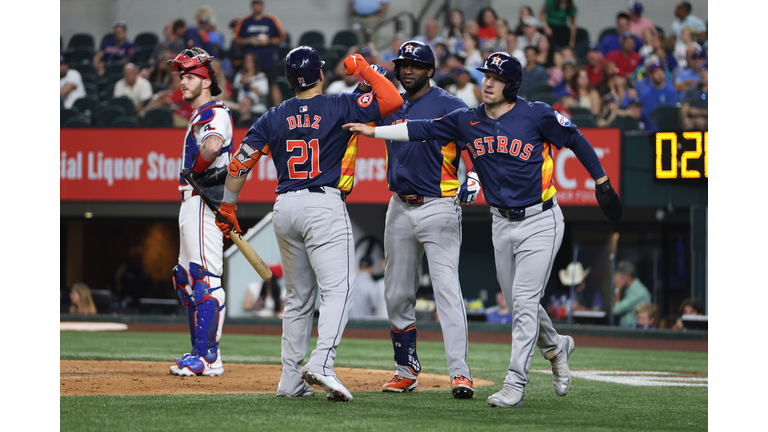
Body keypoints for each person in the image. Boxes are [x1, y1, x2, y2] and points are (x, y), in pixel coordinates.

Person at [343, 51, 623, 408]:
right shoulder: (468, 118)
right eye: (486, 75)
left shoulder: (535, 113)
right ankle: (555, 346)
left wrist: (601, 182)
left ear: (513, 84)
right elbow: (421, 129)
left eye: (496, 77)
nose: (488, 82)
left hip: (541, 218)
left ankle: (514, 384)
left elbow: (576, 139)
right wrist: (374, 130)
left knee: (521, 303)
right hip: (501, 221)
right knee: (525, 303)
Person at [215, 46, 403, 401]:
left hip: (284, 208)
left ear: (288, 81)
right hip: (323, 204)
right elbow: (391, 98)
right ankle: (322, 363)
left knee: (298, 298)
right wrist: (362, 66)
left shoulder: (271, 116)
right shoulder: (340, 105)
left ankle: (290, 380)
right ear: (319, 74)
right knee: (339, 291)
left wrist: (227, 206)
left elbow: (238, 165)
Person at [356, 40, 475, 399]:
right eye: (402, 64)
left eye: (415, 65)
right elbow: (352, 111)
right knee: (395, 293)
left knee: (446, 291)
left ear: (429, 70)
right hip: (399, 205)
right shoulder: (389, 101)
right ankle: (405, 370)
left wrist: (475, 177)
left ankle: (460, 373)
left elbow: (478, 143)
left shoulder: (450, 104)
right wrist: (364, 85)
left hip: (439, 204)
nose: (407, 70)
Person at [166, 47, 233, 377]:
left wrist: (196, 169)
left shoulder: (214, 112)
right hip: (192, 200)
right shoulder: (198, 114)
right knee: (186, 279)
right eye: (182, 77)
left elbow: (212, 146)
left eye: (190, 76)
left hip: (204, 200)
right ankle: (198, 352)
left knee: (206, 279)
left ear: (206, 82)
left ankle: (209, 357)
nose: (183, 82)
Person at [234, 0, 288, 108]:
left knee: (273, 84)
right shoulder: (245, 21)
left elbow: (282, 37)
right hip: (251, 62)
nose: (257, 6)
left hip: (267, 59)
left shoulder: (271, 20)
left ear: (263, 5)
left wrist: (268, 41)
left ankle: (279, 110)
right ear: (251, 6)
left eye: (259, 3)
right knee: (249, 83)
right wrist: (248, 40)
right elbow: (237, 39)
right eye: (255, 3)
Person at [612, 260, 651, 328]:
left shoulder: (638, 292)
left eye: (619, 275)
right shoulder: (629, 289)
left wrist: (617, 289)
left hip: (637, 333)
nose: (616, 278)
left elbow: (616, 310)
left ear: (627, 275)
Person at [681, 62, 707, 131]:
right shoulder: (692, 90)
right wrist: (686, 120)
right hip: (693, 121)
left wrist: (699, 112)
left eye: (706, 71)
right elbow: (685, 106)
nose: (703, 73)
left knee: (700, 122)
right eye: (701, 71)